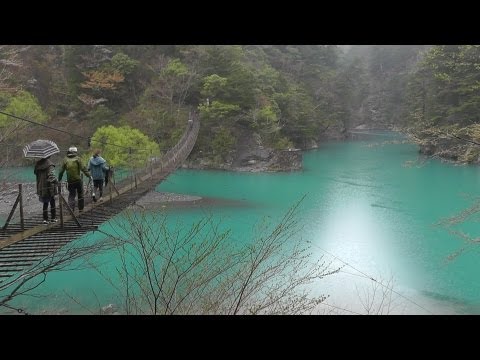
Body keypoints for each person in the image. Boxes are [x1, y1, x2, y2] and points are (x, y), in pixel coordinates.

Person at [58, 146, 91, 212]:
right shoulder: (78, 159)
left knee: (72, 195)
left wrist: (59, 179)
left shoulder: (65, 160)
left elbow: (61, 171)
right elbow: (83, 168)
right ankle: (81, 209)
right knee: (80, 194)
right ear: (75, 152)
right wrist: (89, 175)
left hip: (70, 181)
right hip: (78, 180)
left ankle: (71, 209)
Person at [34, 156, 58, 224]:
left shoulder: (38, 164)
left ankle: (45, 219)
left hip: (41, 186)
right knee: (52, 202)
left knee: (45, 203)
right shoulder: (50, 165)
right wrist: (57, 182)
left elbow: (36, 173)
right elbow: (52, 177)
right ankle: (53, 218)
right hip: (49, 187)